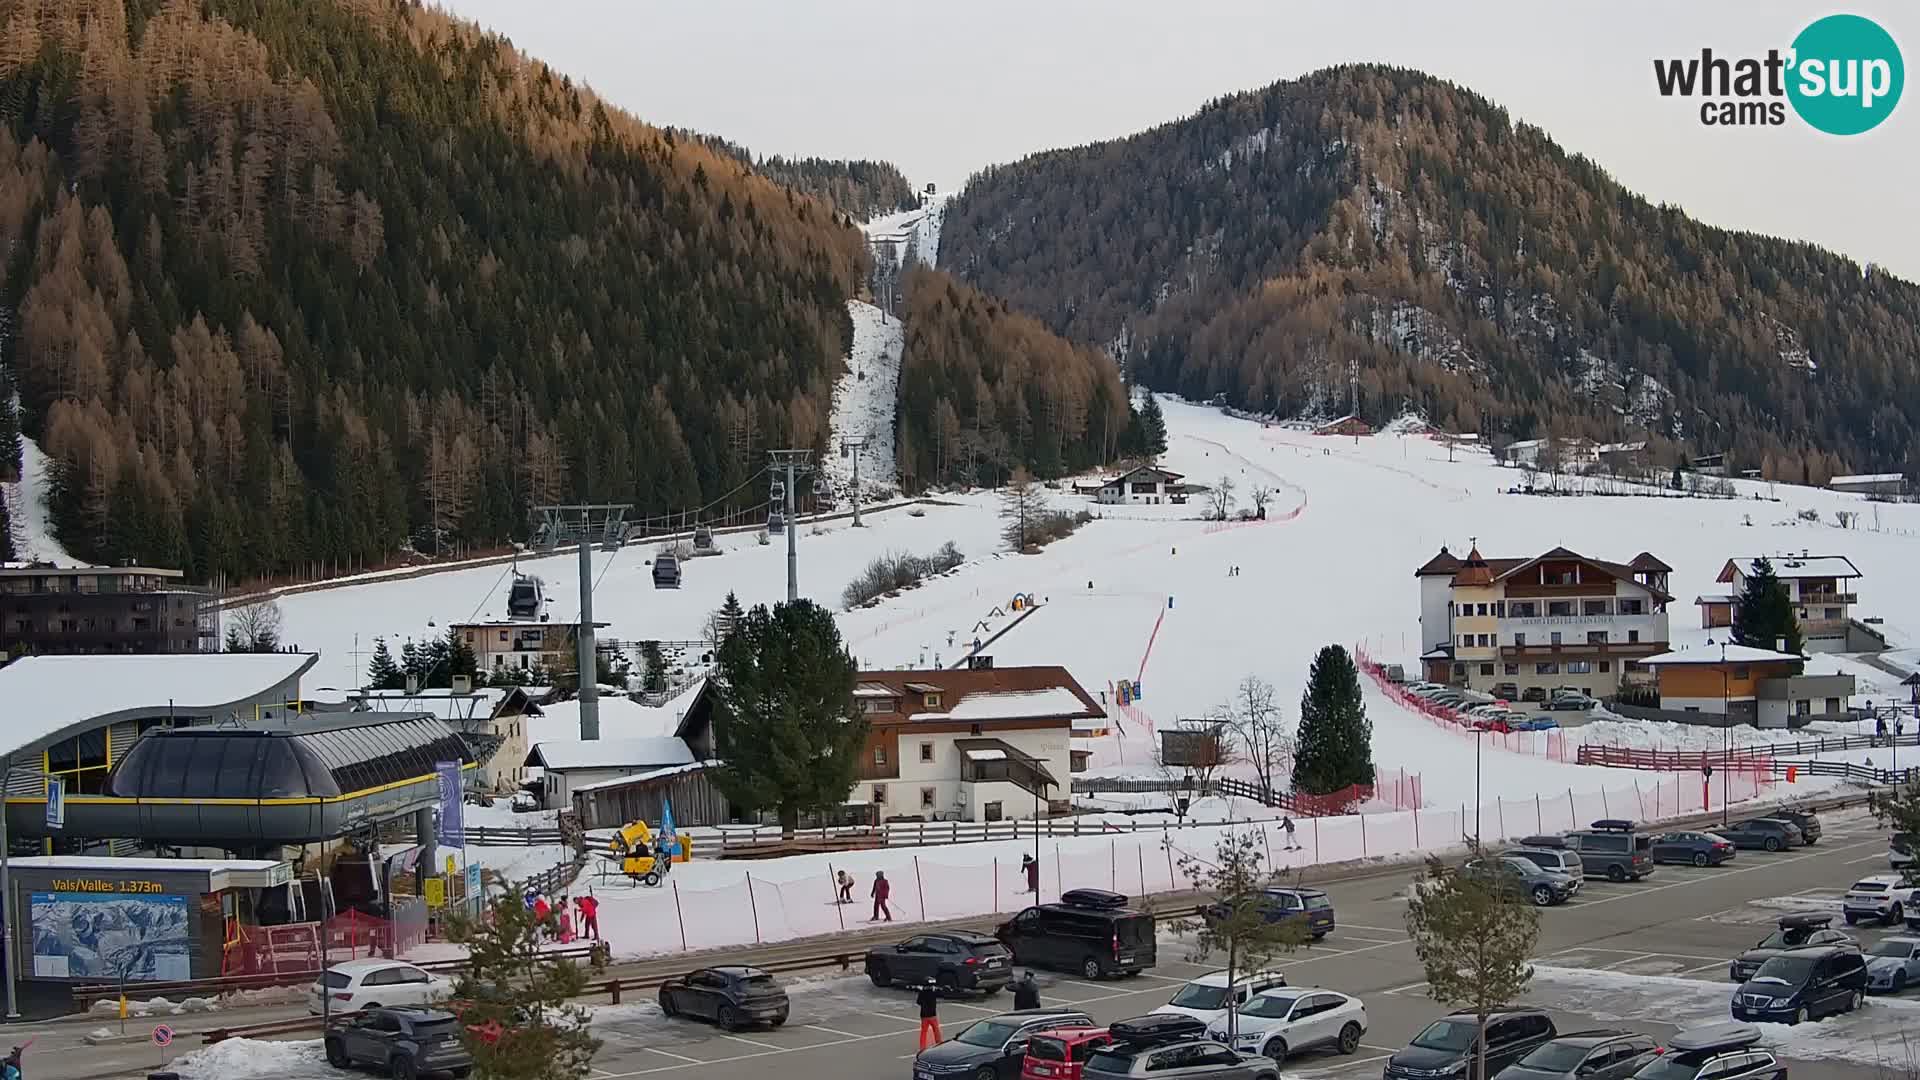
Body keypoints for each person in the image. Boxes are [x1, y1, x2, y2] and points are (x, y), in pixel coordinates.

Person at [915, 981, 942, 1049]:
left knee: (924, 1031)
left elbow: (918, 1002)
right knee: (936, 1030)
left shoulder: (922, 992)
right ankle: (939, 1043)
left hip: (924, 1015)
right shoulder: (933, 992)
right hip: (932, 1014)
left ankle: (922, 1046)